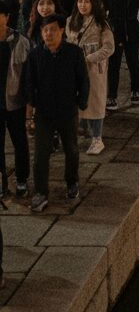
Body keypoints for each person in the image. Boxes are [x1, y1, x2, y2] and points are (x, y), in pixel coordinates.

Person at [25, 15, 89, 212]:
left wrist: (81, 103)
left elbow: (83, 81)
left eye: (52, 29)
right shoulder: (35, 55)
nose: (48, 34)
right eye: (45, 30)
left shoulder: (73, 52)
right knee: (41, 154)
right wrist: (30, 112)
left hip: (67, 110)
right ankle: (41, 192)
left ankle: (72, 182)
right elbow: (29, 84)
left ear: (62, 30)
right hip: (44, 111)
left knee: (71, 149)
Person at [65, 0, 114, 155]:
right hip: (74, 69)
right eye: (80, 1)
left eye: (86, 2)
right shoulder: (70, 21)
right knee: (77, 100)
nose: (83, 5)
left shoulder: (101, 24)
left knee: (96, 102)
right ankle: (82, 130)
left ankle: (97, 139)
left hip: (94, 69)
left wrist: (90, 57)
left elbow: (109, 47)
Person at [98, 0, 139, 109]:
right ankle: (112, 96)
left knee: (133, 61)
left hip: (132, 29)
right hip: (113, 29)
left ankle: (135, 90)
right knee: (113, 63)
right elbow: (101, 7)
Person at [0, 3, 30, 199]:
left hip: (15, 102)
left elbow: (29, 76)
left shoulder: (21, 42)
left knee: (20, 143)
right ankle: (2, 181)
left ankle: (21, 180)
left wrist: (30, 106)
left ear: (7, 17)